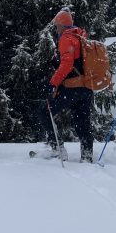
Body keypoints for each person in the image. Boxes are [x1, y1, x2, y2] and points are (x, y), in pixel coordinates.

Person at [43, 9, 95, 163]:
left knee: (45, 112)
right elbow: (76, 61)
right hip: (86, 87)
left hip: (72, 88)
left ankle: (58, 150)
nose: (56, 29)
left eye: (57, 26)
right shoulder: (81, 36)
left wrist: (53, 83)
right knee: (82, 123)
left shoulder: (66, 38)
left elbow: (67, 64)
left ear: (62, 25)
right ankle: (87, 156)